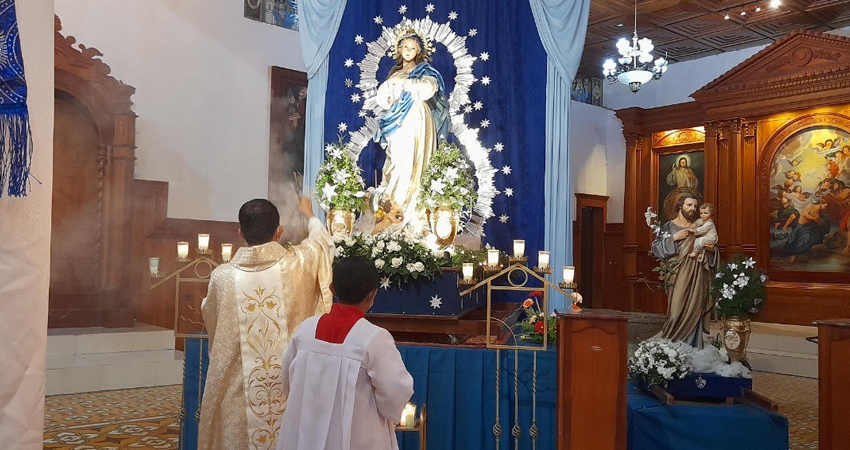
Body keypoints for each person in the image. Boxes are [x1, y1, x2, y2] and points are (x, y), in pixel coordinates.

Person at [198, 197, 334, 450]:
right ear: (279, 231)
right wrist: (310, 215)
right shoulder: (299, 264)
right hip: (289, 392)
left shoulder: (222, 278)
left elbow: (212, 318)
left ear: (240, 232)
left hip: (239, 394)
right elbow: (321, 243)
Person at [277, 256, 414, 450]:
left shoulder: (306, 329)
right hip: (356, 437)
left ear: (332, 289)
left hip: (305, 434)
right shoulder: (374, 338)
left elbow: (288, 380)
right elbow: (396, 391)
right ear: (372, 295)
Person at [373, 28, 448, 228]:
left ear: (418, 51)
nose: (408, 50)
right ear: (399, 49)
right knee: (396, 160)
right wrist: (393, 82)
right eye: (405, 46)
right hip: (396, 123)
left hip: (417, 120)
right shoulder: (394, 74)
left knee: (414, 159)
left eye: (412, 48)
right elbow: (382, 99)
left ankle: (412, 209)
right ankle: (392, 206)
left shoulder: (425, 72)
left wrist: (406, 82)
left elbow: (429, 89)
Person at [651, 194, 719, 349]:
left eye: (695, 206)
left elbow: (713, 248)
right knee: (675, 311)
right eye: (689, 205)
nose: (693, 209)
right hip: (677, 274)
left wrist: (711, 249)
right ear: (680, 206)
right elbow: (656, 248)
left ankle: (693, 348)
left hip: (698, 274)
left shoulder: (700, 226)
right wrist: (674, 237)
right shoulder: (668, 226)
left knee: (695, 308)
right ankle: (671, 348)